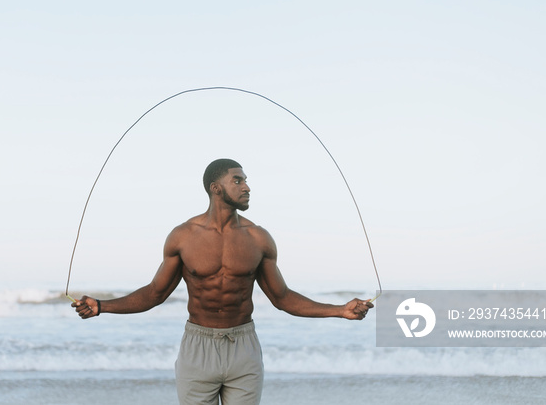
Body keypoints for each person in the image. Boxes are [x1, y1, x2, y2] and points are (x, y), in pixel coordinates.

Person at [72, 158, 373, 404]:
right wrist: (101, 306)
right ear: (216, 188)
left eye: (245, 180)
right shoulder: (183, 237)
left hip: (243, 346)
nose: (247, 187)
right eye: (238, 181)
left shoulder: (258, 239)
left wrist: (340, 310)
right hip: (198, 347)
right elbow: (154, 293)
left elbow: (282, 298)